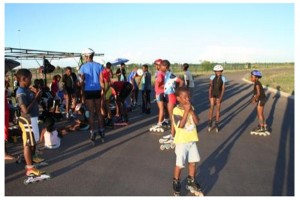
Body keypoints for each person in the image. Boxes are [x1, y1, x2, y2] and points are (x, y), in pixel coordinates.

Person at [172, 87, 202, 196]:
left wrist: (191, 111)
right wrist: (186, 111)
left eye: (189, 97)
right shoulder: (176, 110)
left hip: (192, 140)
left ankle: (191, 180)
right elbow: (181, 125)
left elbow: (197, 121)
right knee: (180, 164)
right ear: (178, 98)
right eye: (185, 97)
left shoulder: (191, 107)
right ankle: (176, 181)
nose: (187, 99)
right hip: (182, 142)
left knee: (193, 162)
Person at [15, 68, 46, 176]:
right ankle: (29, 168)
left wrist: (37, 94)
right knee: (28, 143)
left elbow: (35, 102)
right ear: (23, 79)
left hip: (32, 119)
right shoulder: (20, 92)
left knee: (33, 142)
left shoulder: (27, 89)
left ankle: (32, 160)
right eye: (29, 79)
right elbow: (25, 110)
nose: (31, 81)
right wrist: (35, 98)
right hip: (26, 120)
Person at [79, 48, 105, 142]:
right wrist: (103, 92)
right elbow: (102, 81)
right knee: (98, 111)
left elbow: (81, 82)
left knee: (91, 112)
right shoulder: (99, 66)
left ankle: (92, 132)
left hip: (88, 91)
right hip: (97, 90)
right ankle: (101, 130)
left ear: (86, 56)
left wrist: (80, 87)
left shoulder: (83, 67)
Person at [161, 60, 184, 137]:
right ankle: (173, 133)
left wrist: (177, 91)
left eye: (161, 66)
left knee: (172, 117)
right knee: (171, 116)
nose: (160, 67)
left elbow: (181, 81)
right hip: (167, 95)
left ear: (165, 66)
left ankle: (173, 135)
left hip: (171, 96)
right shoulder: (166, 74)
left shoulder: (170, 74)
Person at [208, 65, 226, 132]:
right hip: (213, 94)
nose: (218, 72)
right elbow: (210, 86)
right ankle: (210, 122)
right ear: (215, 72)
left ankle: (217, 123)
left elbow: (223, 88)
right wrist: (209, 96)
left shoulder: (223, 78)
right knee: (212, 107)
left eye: (220, 71)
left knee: (218, 109)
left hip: (219, 94)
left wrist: (221, 97)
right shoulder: (212, 77)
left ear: (222, 72)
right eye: (217, 71)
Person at [250, 70, 269, 134]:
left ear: (256, 77)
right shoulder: (257, 82)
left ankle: (261, 128)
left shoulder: (257, 83)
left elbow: (258, 93)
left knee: (259, 114)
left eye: (252, 77)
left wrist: (254, 99)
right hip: (262, 99)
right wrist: (254, 98)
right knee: (261, 113)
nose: (251, 78)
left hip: (261, 99)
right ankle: (264, 125)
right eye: (251, 76)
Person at [151, 59, 166, 131]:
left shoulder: (159, 73)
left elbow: (159, 81)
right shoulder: (164, 72)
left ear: (159, 65)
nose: (155, 66)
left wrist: (158, 85)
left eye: (156, 65)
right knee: (163, 107)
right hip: (163, 92)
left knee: (161, 108)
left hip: (159, 92)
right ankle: (164, 120)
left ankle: (159, 123)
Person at [101, 62, 113, 127]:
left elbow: (106, 83)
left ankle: (105, 121)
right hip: (108, 89)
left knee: (102, 106)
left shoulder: (105, 72)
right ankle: (109, 121)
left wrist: (104, 91)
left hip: (105, 89)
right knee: (107, 106)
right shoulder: (109, 71)